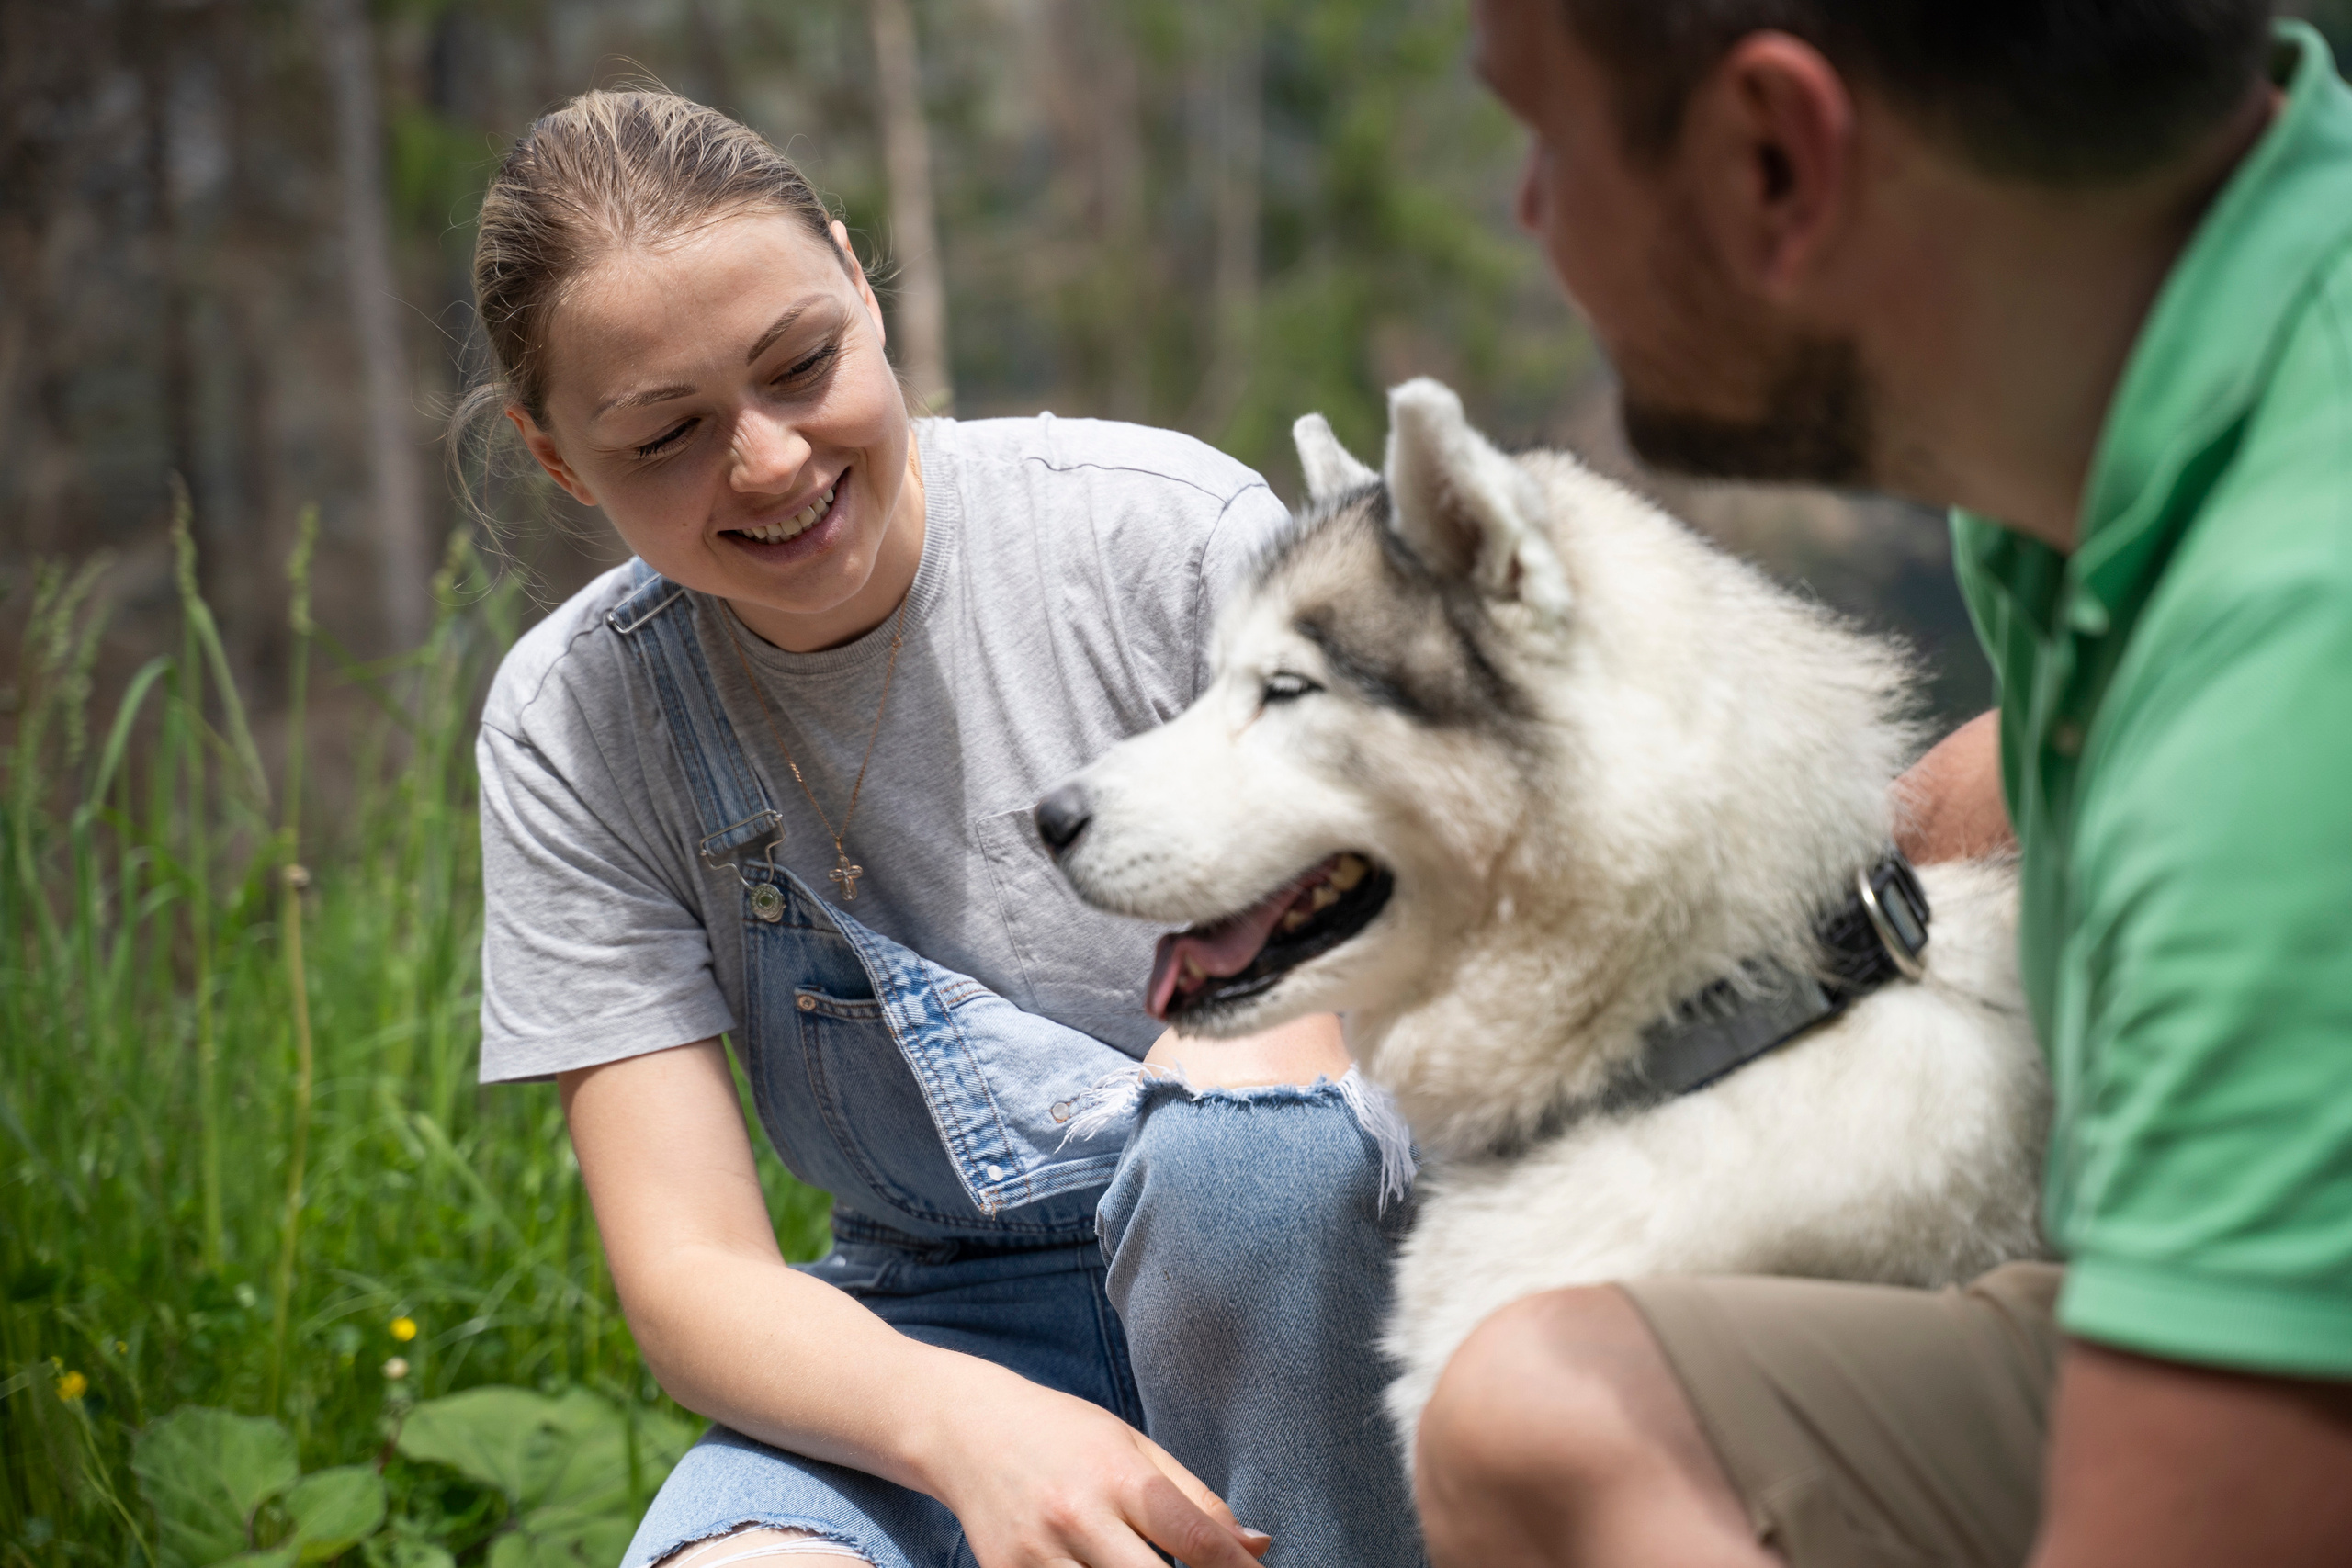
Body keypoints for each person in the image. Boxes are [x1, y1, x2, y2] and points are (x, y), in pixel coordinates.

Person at [1414, 3, 2352, 1565]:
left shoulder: (2283, 699)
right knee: (1550, 1416)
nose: (1531, 211)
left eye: (1546, 139)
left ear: (1776, 159)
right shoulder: (2127, 369)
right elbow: (2064, 763)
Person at [464, 92, 1427, 1568]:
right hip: (930, 1325)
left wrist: (1253, 1054)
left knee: (1246, 1152)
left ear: (861, 281)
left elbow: (1386, 1017)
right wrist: (965, 1426)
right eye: (667, 435)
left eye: (803, 365)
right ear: (554, 458)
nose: (772, 463)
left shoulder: (1157, 539)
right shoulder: (576, 721)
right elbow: (692, 1272)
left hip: (1297, 1270)